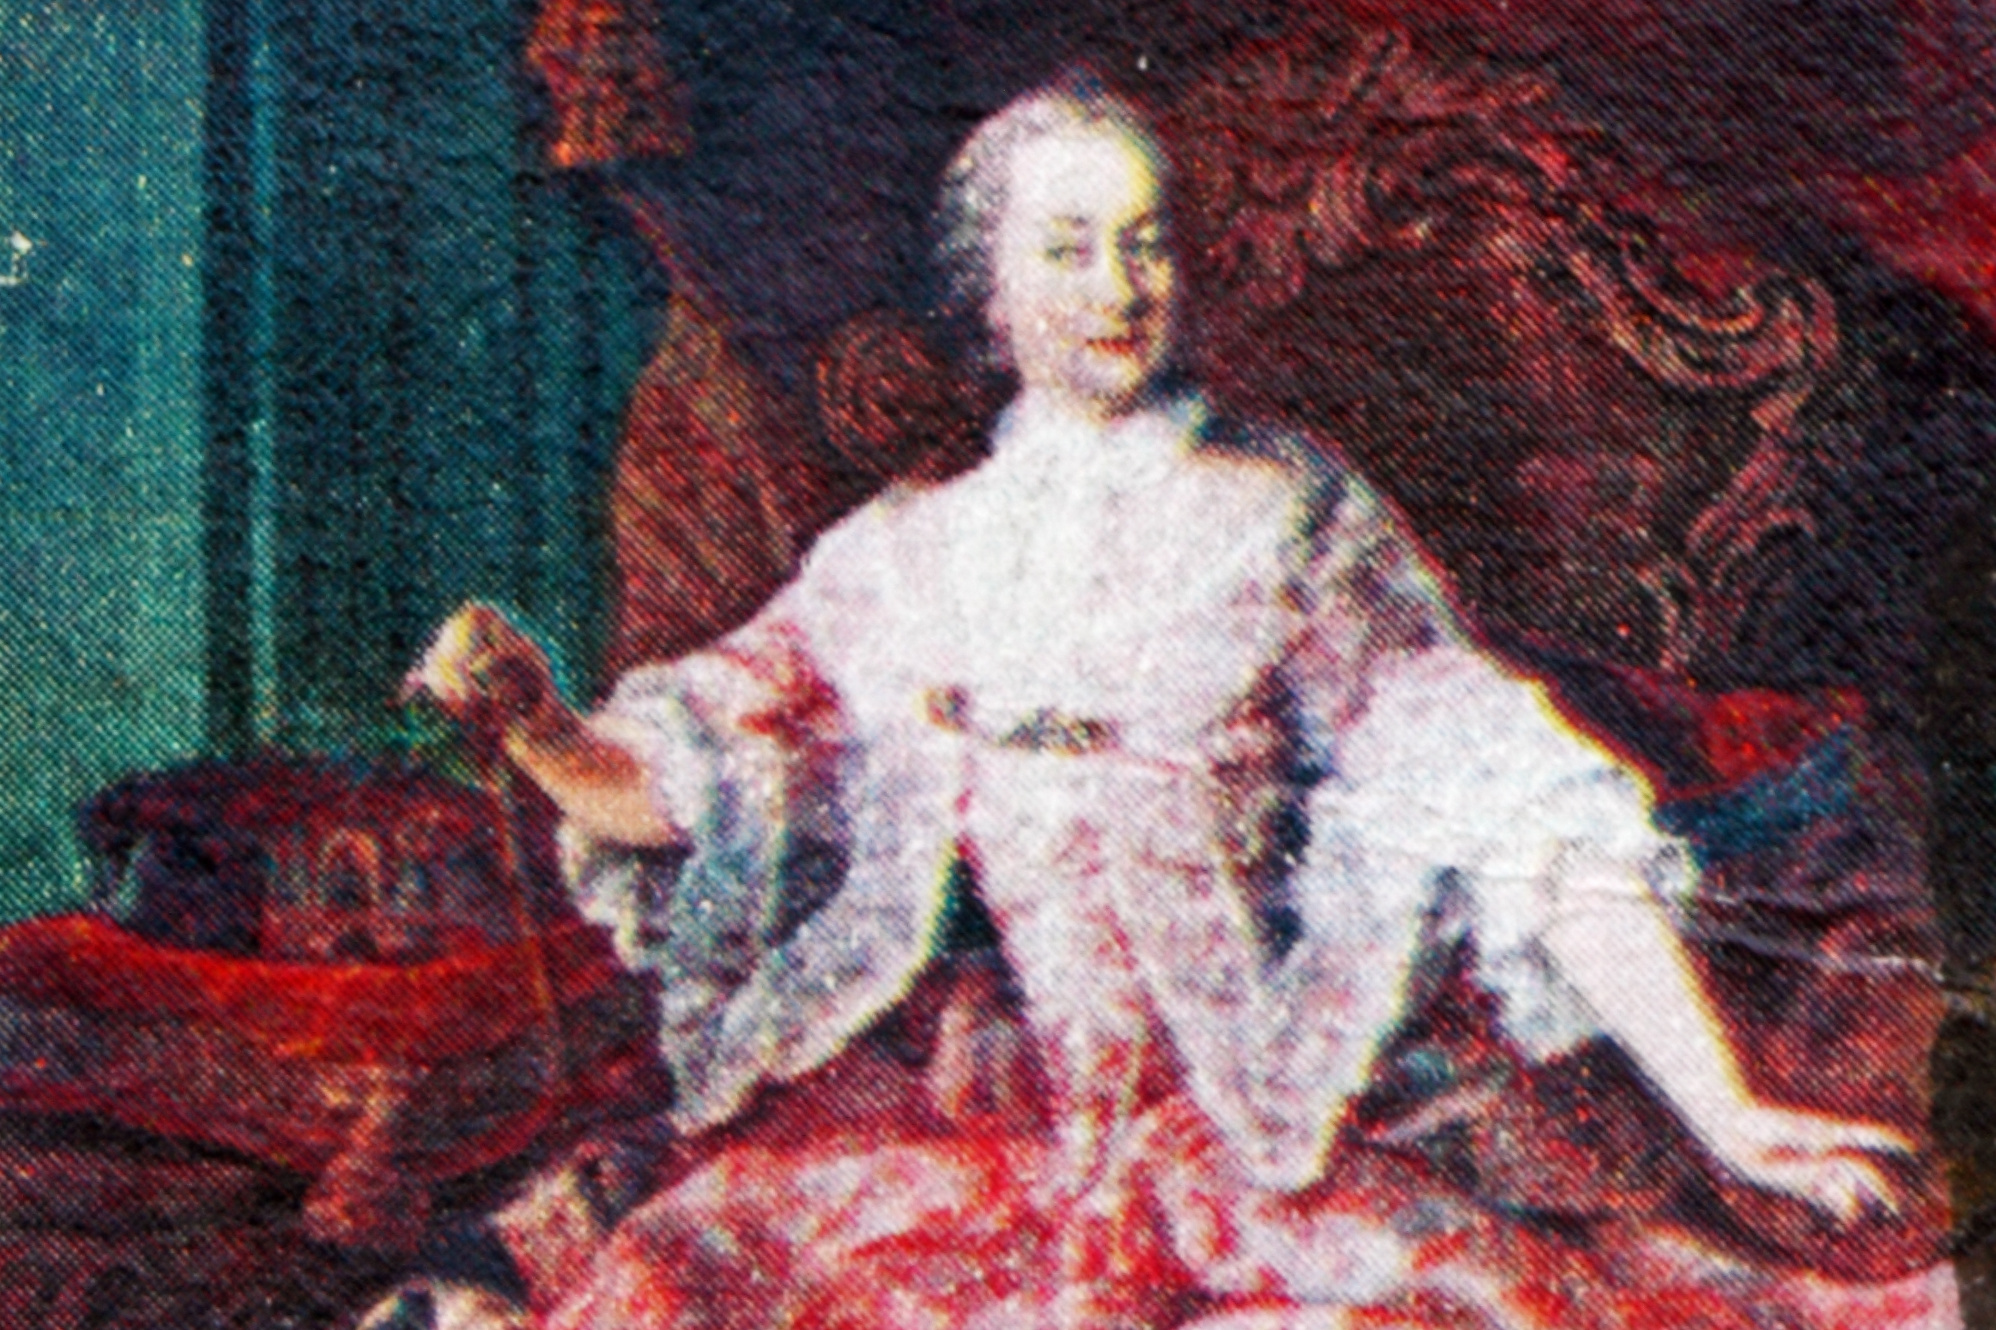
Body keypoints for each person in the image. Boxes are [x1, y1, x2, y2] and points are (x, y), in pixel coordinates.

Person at [412, 77, 1948, 1330]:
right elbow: (677, 779)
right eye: (1070, 249)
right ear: (991, 284)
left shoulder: (1281, 515)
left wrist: (1725, 1103)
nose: (1118, 287)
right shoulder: (905, 557)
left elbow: (1506, 789)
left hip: (1257, 1131)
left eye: (1144, 245)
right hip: (1006, 1128)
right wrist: (541, 722)